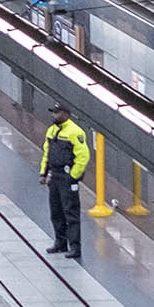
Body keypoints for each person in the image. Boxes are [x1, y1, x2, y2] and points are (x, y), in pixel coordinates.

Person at [39, 106, 90, 260]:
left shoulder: (75, 132)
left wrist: (72, 176)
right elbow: (47, 153)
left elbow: (83, 156)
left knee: (71, 213)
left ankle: (75, 247)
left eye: (57, 112)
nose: (54, 115)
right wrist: (43, 173)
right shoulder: (52, 130)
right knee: (56, 212)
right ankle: (60, 242)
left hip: (67, 177)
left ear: (66, 114)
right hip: (54, 176)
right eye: (53, 113)